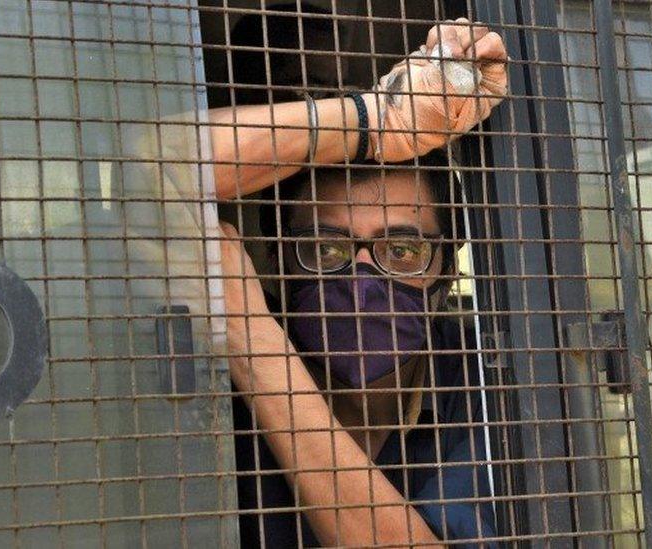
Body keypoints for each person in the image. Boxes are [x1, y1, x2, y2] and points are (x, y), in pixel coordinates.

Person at [210, 18, 509, 547]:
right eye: (326, 250)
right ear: (277, 260)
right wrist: (380, 119)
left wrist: (250, 340)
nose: (362, 281)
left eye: (404, 251)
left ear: (446, 267)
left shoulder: (494, 385)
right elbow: (147, 164)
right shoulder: (205, 396)